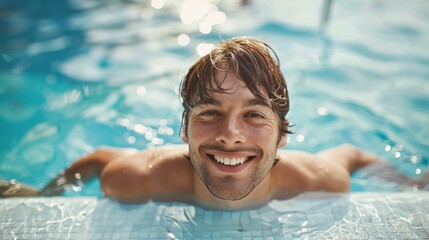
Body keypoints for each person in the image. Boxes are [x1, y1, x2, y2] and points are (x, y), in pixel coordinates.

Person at [2, 37, 423, 208]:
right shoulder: (137, 179)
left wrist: (408, 184)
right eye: (209, 113)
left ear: (283, 137)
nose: (230, 134)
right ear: (184, 130)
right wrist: (43, 195)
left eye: (255, 115)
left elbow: (351, 154)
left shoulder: (320, 180)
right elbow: (97, 158)